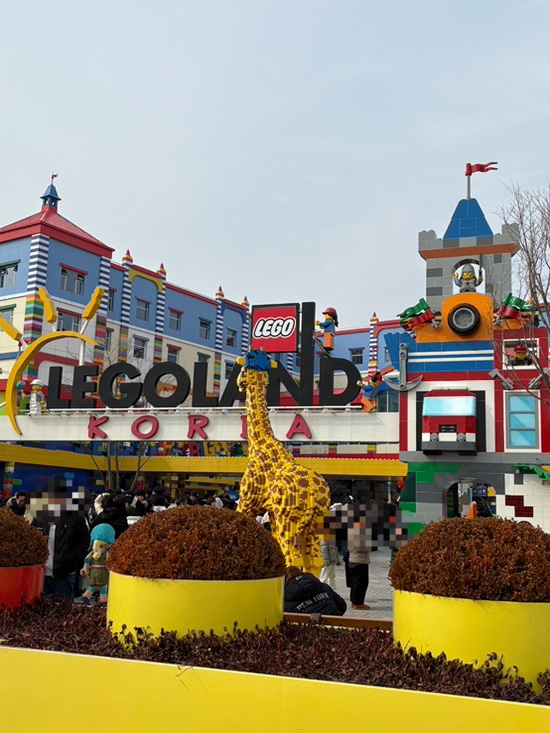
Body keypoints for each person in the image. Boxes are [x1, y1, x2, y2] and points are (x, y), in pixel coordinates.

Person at [32, 482, 90, 600]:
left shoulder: (75, 517)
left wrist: (72, 558)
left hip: (64, 574)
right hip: (41, 573)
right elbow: (31, 536)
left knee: (64, 607)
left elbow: (84, 541)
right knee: (41, 607)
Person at [75, 523, 116, 606]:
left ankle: (87, 597)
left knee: (94, 585)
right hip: (102, 571)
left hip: (93, 571)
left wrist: (86, 568)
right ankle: (102, 600)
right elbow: (109, 563)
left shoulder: (92, 553)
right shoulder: (106, 553)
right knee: (103, 586)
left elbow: (87, 560)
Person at [347, 519, 371, 610]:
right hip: (359, 560)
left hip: (355, 559)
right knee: (360, 583)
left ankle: (354, 601)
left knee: (356, 582)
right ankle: (357, 603)